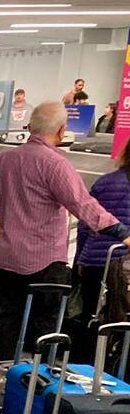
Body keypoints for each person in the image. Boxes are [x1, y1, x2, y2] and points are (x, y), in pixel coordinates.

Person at [0, 102, 130, 360]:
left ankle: (6, 369)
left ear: (31, 126)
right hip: (45, 259)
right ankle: (39, 377)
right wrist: (121, 232)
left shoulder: (5, 159)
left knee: (9, 314)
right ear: (62, 130)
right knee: (47, 322)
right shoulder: (55, 164)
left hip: (7, 255)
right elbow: (82, 204)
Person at [74, 143, 130, 336]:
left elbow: (84, 222)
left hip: (94, 259)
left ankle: (84, 362)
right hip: (125, 265)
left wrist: (80, 257)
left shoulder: (104, 182)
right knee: (120, 319)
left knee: (90, 314)